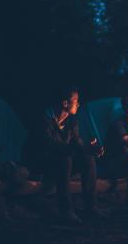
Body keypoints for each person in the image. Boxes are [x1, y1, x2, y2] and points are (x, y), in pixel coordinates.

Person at [22, 86, 104, 223]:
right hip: (41, 165)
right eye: (76, 100)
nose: (78, 104)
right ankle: (66, 210)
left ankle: (91, 207)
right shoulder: (43, 120)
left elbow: (77, 143)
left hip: (63, 164)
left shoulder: (71, 120)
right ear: (65, 103)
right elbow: (50, 146)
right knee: (64, 158)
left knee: (87, 158)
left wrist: (88, 148)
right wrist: (77, 149)